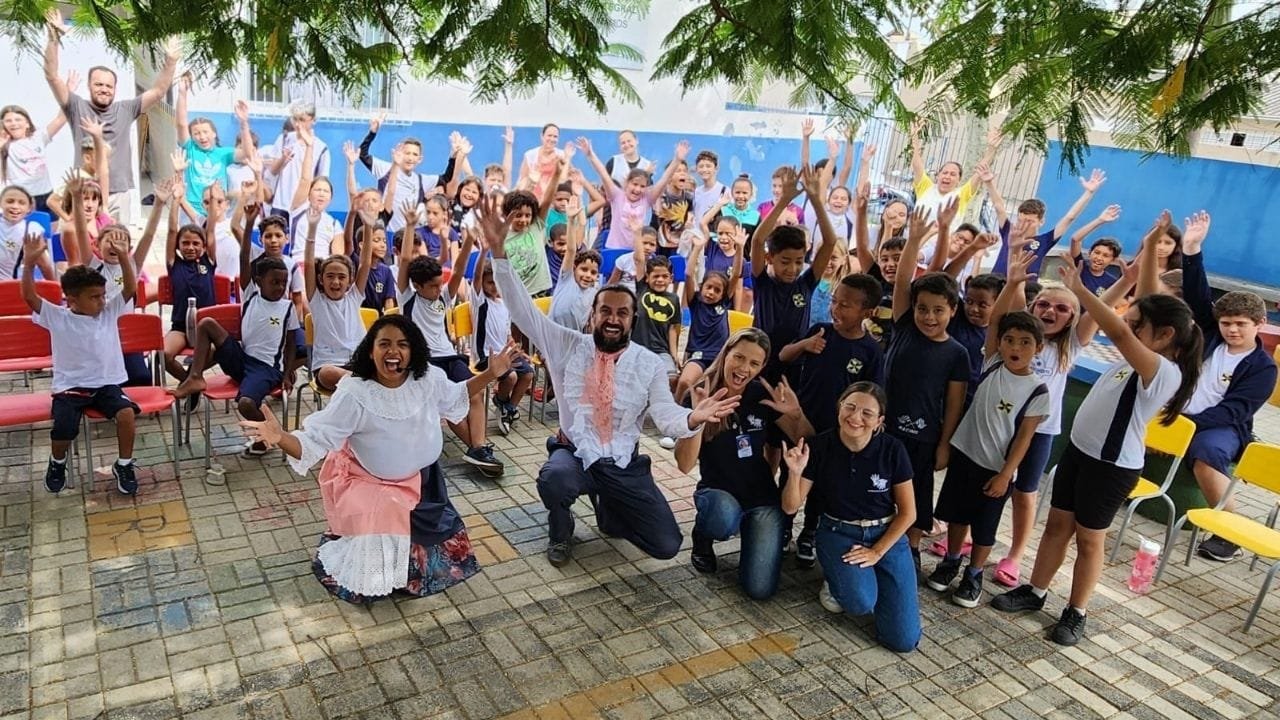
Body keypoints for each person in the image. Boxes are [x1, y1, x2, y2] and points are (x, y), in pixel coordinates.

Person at [482, 194, 740, 568]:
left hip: (622, 462)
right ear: (593, 316)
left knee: (666, 544)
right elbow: (523, 311)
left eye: (622, 312)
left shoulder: (648, 363)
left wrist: (692, 418)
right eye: (606, 310)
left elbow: (666, 414)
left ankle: (609, 508)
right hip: (574, 454)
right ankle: (561, 527)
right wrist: (498, 253)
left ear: (632, 321)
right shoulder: (565, 343)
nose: (613, 318)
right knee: (554, 479)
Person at [991, 211, 1203, 647]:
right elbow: (1145, 302)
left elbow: (1124, 333)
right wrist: (1147, 250)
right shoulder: (1145, 352)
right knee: (1056, 528)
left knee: (1089, 541)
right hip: (1080, 453)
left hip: (1110, 468)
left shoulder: (1163, 371)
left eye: (1137, 324)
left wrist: (1082, 290)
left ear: (1163, 336)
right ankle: (1036, 590)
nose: (1127, 325)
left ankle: (1076, 611)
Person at [239, 315, 524, 603]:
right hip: (373, 486)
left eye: (402, 344)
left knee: (433, 552)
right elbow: (315, 441)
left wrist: (491, 374)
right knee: (372, 575)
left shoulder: (428, 378)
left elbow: (456, 395)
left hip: (425, 482)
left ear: (413, 350)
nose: (393, 351)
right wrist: (280, 437)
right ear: (370, 350)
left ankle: (405, 568)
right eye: (384, 343)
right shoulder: (354, 393)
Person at [986, 248, 1139, 587]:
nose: (1050, 311)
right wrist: (1012, 284)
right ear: (1032, 308)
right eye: (1043, 304)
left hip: (1040, 431)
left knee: (1024, 493)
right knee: (987, 483)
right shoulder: (1020, 334)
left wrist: (1124, 284)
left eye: (1061, 308)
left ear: (1072, 317)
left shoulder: (1071, 343)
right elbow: (999, 318)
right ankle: (974, 533)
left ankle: (1015, 553)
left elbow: (1099, 312)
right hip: (1001, 423)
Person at [781, 382, 921, 653]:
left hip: (885, 535)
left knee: (903, 641)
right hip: (838, 532)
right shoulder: (819, 446)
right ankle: (837, 581)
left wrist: (877, 552)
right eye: (850, 407)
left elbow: (908, 513)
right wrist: (794, 473)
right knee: (860, 603)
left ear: (879, 421)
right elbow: (790, 507)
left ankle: (875, 582)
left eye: (867, 413)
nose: (855, 418)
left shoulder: (893, 450)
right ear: (839, 409)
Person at [675, 329, 812, 599]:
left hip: (760, 498)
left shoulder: (762, 395)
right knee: (723, 518)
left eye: (754, 363)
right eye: (739, 357)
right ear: (726, 354)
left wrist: (796, 415)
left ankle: (753, 532)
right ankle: (703, 535)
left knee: (759, 590)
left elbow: (806, 443)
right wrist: (698, 419)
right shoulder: (702, 393)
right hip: (718, 493)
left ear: (762, 366)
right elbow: (683, 464)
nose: (743, 368)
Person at [927, 311, 1048, 608]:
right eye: (1009, 340)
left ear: (1038, 348)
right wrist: (1013, 282)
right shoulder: (993, 363)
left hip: (995, 470)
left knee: (984, 527)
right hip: (964, 456)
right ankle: (952, 560)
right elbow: (996, 320)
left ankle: (975, 574)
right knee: (956, 514)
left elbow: (1024, 438)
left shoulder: (1038, 391)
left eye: (1025, 342)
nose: (1015, 348)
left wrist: (1006, 474)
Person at [1178, 212, 1277, 562]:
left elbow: (1233, 411)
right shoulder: (1210, 334)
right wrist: (1191, 248)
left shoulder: (1263, 369)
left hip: (1221, 427)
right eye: (1226, 323)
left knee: (1207, 454)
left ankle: (1227, 530)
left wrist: (1185, 426)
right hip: (1180, 411)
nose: (1231, 330)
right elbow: (1196, 291)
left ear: (1260, 324)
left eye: (1240, 324)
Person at [169, 207, 304, 459]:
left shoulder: (287, 308)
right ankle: (196, 377)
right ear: (257, 280)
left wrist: (286, 374)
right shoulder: (251, 293)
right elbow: (244, 257)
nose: (280, 287)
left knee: (245, 403)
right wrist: (250, 221)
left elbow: (291, 344)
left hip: (265, 369)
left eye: (283, 283)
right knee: (207, 323)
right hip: (241, 359)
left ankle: (268, 437)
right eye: (274, 282)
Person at [21, 232, 140, 494]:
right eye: (95, 297)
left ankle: (124, 464)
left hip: (106, 384)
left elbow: (130, 289)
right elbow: (30, 298)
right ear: (72, 300)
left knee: (127, 413)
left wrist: (123, 257)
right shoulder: (58, 316)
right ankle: (57, 462)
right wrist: (29, 264)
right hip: (70, 387)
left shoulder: (108, 313)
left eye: (102, 295)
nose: (103, 301)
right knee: (64, 427)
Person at [781, 272, 886, 565]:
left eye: (846, 305)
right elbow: (784, 356)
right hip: (800, 424)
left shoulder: (871, 352)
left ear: (868, 312)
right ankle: (784, 528)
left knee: (822, 486)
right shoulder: (820, 331)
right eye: (835, 301)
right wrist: (805, 345)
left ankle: (809, 533)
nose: (836, 309)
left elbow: (873, 396)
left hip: (835, 434)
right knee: (791, 476)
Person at [886, 208, 970, 569]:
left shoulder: (957, 353)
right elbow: (904, 278)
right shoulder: (904, 326)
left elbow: (954, 403)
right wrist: (916, 238)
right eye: (923, 309)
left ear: (953, 309)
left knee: (918, 492)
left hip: (923, 438)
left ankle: (913, 548)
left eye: (938, 310)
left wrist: (945, 443)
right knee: (880, 484)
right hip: (884, 428)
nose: (929, 317)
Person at [43, 8, 178, 224]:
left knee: (116, 247)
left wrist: (170, 61)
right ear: (89, 86)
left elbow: (159, 91)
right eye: (98, 84)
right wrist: (53, 39)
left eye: (109, 86)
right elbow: (51, 76)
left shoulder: (126, 109)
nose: (104, 89)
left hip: (119, 194)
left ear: (115, 89)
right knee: (85, 248)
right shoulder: (76, 106)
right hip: (86, 191)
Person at [750, 165, 840, 382]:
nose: (792, 269)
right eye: (785, 261)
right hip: (760, 361)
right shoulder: (762, 282)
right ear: (770, 258)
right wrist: (783, 201)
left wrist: (816, 200)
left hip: (795, 364)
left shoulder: (806, 283)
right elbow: (758, 240)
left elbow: (830, 242)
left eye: (799, 261)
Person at [303, 204, 374, 392]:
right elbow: (309, 264)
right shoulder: (317, 301)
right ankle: (364, 385)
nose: (335, 282)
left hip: (359, 362)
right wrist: (312, 229)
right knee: (327, 373)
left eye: (341, 277)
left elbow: (365, 262)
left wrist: (368, 226)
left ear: (351, 280)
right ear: (321, 279)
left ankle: (361, 386)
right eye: (330, 276)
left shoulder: (353, 297)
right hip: (330, 366)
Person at [470, 242, 536, 435]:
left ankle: (508, 407)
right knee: (512, 377)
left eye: (498, 282)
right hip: (485, 357)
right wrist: (483, 252)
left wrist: (515, 348)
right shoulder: (479, 301)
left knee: (529, 374)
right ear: (482, 284)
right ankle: (502, 401)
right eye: (490, 282)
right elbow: (475, 277)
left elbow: (507, 333)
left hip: (504, 354)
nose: (495, 286)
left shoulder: (504, 304)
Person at [675, 227, 745, 403]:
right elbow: (689, 274)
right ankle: (674, 413)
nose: (711, 292)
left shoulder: (723, 303)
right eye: (709, 287)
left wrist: (740, 248)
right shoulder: (696, 302)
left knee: (723, 389)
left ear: (723, 294)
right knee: (685, 381)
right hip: (698, 354)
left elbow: (736, 274)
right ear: (702, 287)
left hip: (720, 356)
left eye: (717, 290)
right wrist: (697, 248)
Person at [358, 113, 455, 233]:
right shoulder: (386, 169)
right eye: (407, 153)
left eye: (414, 154)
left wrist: (453, 156)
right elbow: (362, 154)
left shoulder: (421, 180)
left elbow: (446, 178)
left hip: (409, 235)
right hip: (385, 231)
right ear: (399, 153)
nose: (410, 158)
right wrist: (372, 132)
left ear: (420, 159)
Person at [175, 77, 255, 221]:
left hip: (217, 209)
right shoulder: (191, 149)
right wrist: (182, 93)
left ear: (214, 134)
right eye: (197, 133)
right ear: (192, 137)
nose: (202, 137)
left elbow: (247, 154)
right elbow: (181, 124)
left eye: (205, 132)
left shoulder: (223, 153)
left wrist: (243, 122)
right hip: (193, 209)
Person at [908, 122, 999, 228]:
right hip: (917, 242)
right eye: (945, 172)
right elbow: (917, 166)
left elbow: (980, 172)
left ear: (959, 180)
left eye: (953, 174)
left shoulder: (961, 195)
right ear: (938, 175)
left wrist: (991, 149)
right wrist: (914, 139)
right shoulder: (925, 187)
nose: (947, 176)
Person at [1, 100, 72, 214]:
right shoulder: (5, 145)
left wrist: (68, 91)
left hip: (45, 195)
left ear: (27, 123)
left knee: (50, 228)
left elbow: (60, 119)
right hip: (21, 198)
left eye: (18, 119)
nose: (14, 123)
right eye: (8, 121)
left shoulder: (38, 137)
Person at [267, 101, 330, 221]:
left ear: (313, 120)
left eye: (301, 119)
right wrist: (283, 159)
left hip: (304, 206)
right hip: (280, 204)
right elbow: (273, 171)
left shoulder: (321, 148)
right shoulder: (284, 139)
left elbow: (322, 181)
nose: (297, 124)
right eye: (294, 119)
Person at [1067, 203, 1123, 296]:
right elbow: (1075, 239)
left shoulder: (1112, 282)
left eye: (1106, 256)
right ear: (1089, 253)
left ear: (1113, 260)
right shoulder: (1080, 266)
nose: (1099, 258)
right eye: (1097, 252)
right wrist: (1100, 220)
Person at [0, 185, 54, 280]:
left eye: (22, 203)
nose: (15, 206)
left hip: (7, 286)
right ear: (1, 203)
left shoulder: (30, 229)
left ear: (29, 208)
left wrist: (55, 289)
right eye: (10, 201)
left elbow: (44, 265)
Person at [517, 123, 565, 198]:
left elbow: (564, 180)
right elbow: (522, 179)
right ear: (542, 136)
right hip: (533, 198)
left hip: (553, 198)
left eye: (555, 136)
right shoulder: (530, 155)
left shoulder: (562, 155)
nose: (552, 139)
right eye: (549, 135)